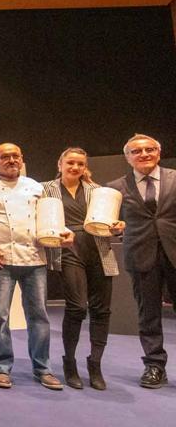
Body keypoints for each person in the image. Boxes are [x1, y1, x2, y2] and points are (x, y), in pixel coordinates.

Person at [0, 142, 70, 390]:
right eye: (4, 157)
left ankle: (43, 368)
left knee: (39, 316)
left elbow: (49, 220)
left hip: (34, 259)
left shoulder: (35, 187)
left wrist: (63, 233)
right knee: (0, 317)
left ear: (21, 159)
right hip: (1, 260)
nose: (10, 160)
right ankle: (2, 368)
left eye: (15, 156)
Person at [42, 147, 122, 390]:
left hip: (99, 251)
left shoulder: (98, 191)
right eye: (70, 163)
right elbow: (42, 220)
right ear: (60, 164)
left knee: (101, 310)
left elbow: (110, 223)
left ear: (84, 167)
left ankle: (95, 363)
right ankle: (69, 362)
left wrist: (118, 227)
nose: (75, 167)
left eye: (80, 164)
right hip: (68, 250)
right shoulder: (45, 189)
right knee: (76, 307)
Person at [108, 134, 176, 389]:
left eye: (150, 150)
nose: (144, 154)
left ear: (158, 153)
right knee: (148, 314)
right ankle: (155, 366)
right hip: (141, 255)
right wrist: (112, 228)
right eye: (137, 151)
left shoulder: (175, 178)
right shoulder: (115, 187)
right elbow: (107, 223)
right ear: (128, 157)